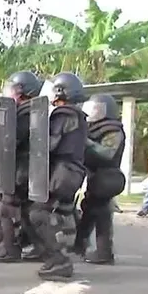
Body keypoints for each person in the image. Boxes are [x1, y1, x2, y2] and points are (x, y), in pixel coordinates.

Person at [28, 72, 88, 280]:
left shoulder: (64, 114)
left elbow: (49, 144)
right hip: (70, 171)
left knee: (39, 214)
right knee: (50, 213)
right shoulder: (77, 115)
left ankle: (59, 260)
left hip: (64, 171)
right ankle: (54, 256)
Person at [0, 72, 42, 263]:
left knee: (7, 206)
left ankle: (11, 248)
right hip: (26, 167)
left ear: (22, 92)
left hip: (23, 167)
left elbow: (14, 140)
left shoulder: (26, 113)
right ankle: (37, 246)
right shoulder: (31, 110)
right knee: (26, 210)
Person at [73, 94, 126, 265]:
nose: (91, 113)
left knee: (102, 214)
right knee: (89, 209)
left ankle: (104, 253)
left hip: (108, 178)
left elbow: (107, 154)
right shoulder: (94, 129)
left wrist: (86, 142)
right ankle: (79, 245)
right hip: (96, 177)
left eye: (96, 108)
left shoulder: (113, 130)